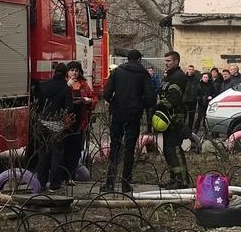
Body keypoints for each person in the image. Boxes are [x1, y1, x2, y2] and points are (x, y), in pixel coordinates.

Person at [101, 50, 156, 194]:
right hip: (134, 115)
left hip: (118, 113)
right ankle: (126, 183)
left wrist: (114, 102)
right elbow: (151, 98)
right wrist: (140, 104)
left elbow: (106, 93)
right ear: (139, 59)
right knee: (130, 148)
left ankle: (109, 182)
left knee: (115, 147)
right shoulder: (143, 74)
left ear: (127, 58)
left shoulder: (118, 71)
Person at [32, 63, 74, 192]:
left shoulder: (44, 86)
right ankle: (55, 184)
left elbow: (37, 104)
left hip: (43, 123)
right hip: (57, 125)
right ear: (66, 74)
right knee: (57, 154)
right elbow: (69, 108)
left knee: (43, 153)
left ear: (54, 72)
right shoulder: (65, 88)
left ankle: (41, 182)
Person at [157, 50, 191, 189]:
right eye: (165, 61)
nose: (166, 63)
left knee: (175, 149)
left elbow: (173, 99)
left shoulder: (178, 77)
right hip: (168, 118)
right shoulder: (169, 76)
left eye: (169, 61)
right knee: (168, 149)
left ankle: (182, 180)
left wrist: (157, 107)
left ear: (176, 61)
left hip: (176, 118)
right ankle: (173, 177)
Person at [63, 60, 95, 184]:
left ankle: (71, 175)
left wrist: (89, 101)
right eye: (72, 70)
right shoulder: (64, 83)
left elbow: (93, 97)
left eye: (76, 70)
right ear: (67, 71)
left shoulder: (84, 84)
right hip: (66, 121)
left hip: (80, 120)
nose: (74, 73)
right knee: (65, 148)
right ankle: (63, 175)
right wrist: (67, 86)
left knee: (76, 150)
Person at [183, 64, 201, 130]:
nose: (191, 71)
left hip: (193, 100)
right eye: (189, 69)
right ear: (187, 70)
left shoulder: (196, 79)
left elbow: (199, 89)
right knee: (184, 115)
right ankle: (183, 129)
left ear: (194, 71)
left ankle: (190, 129)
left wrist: (197, 97)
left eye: (192, 70)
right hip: (185, 100)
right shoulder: (184, 78)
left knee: (192, 116)